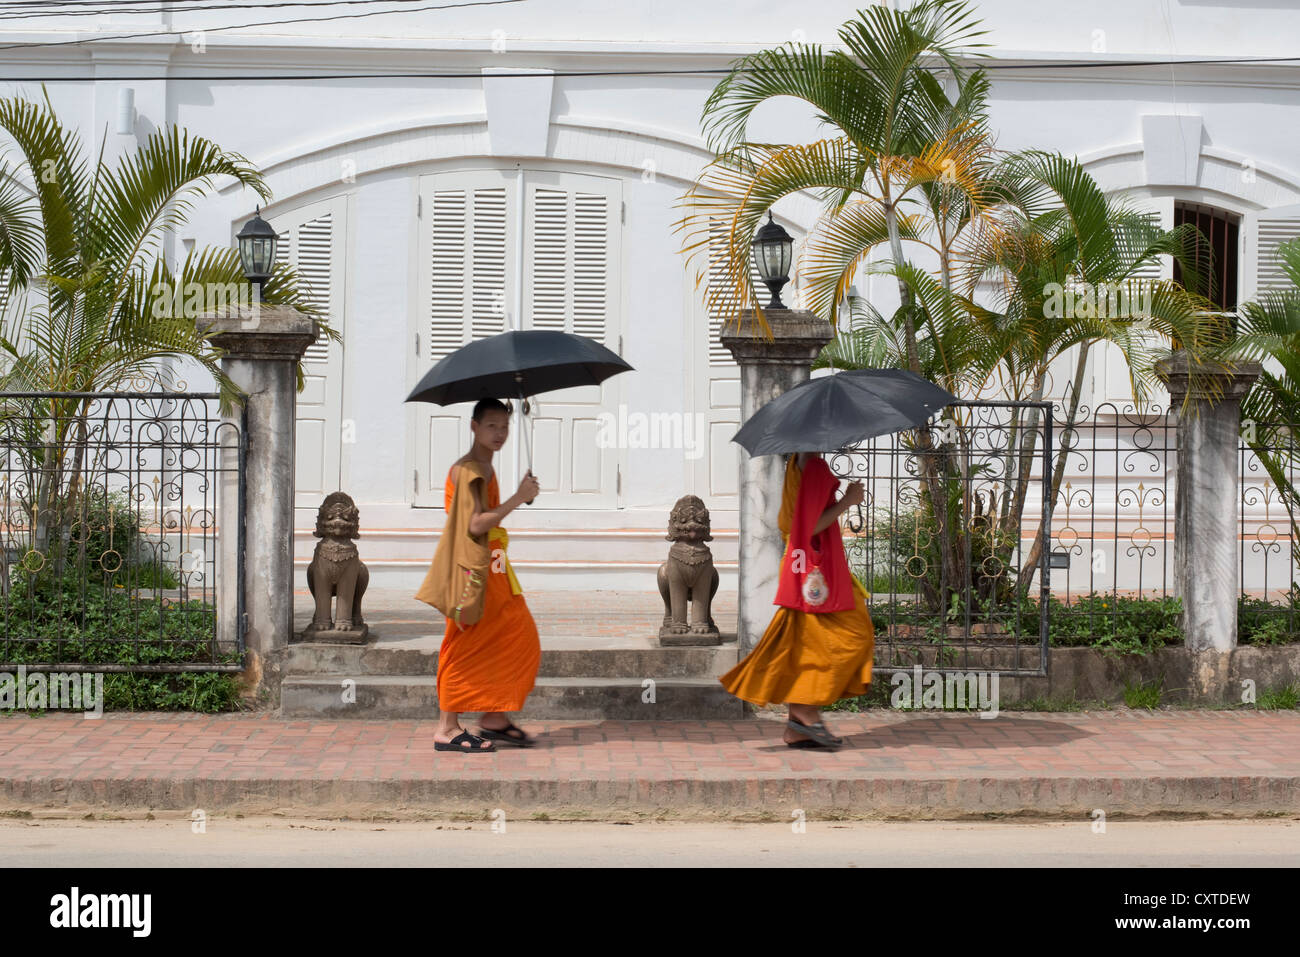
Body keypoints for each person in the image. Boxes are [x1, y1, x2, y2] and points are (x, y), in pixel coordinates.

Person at [718, 451, 875, 748]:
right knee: (856, 634)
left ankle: (797, 728)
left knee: (804, 642)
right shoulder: (813, 464)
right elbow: (808, 527)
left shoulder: (798, 462)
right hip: (815, 570)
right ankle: (805, 709)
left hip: (805, 563)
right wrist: (847, 501)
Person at [415, 397, 542, 753]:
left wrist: (515, 496)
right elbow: (474, 524)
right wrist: (519, 497)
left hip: (496, 568)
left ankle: (494, 718)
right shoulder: (471, 470)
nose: (499, 433)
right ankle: (448, 728)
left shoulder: (485, 467)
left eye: (504, 426)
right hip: (474, 571)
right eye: (491, 425)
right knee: (464, 645)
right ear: (474, 426)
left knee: (519, 637)